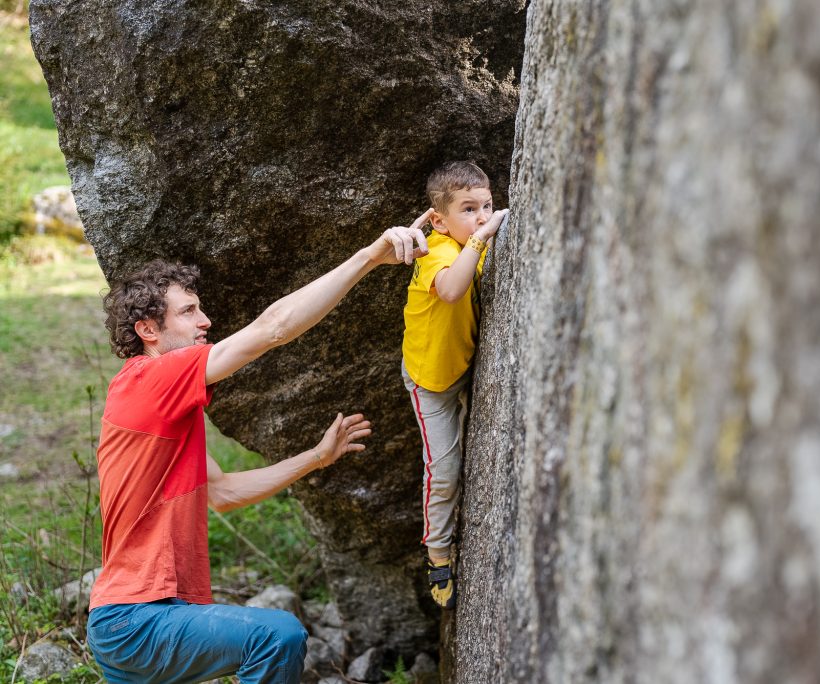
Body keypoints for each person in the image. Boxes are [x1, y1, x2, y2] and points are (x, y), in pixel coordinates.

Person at [85, 220, 431, 683]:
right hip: (137, 619)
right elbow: (274, 328)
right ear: (148, 329)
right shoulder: (151, 379)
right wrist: (368, 257)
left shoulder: (162, 407)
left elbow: (224, 491)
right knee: (276, 635)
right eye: (189, 312)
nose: (205, 320)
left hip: (133, 622)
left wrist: (315, 458)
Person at [401, 161, 508, 608]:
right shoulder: (438, 253)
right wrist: (481, 238)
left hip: (460, 365)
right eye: (469, 209)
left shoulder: (464, 241)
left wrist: (478, 236)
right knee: (443, 473)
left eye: (486, 205)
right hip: (431, 383)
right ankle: (438, 554)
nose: (482, 217)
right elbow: (449, 290)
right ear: (439, 220)